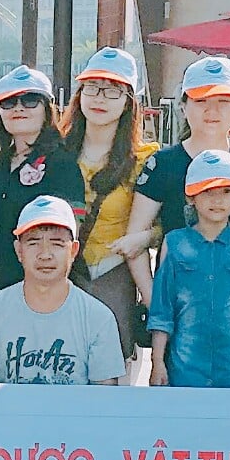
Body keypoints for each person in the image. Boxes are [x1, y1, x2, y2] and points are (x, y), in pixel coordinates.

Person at [147, 149, 230, 390]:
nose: (217, 200)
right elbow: (162, 308)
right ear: (191, 197)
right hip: (186, 365)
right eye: (207, 191)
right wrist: (157, 362)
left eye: (227, 191)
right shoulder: (174, 243)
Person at [65, 45, 158, 361]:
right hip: (64, 275)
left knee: (113, 367)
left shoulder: (145, 161)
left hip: (114, 275)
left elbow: (165, 224)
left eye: (113, 90)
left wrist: (144, 238)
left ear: (130, 101)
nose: (100, 98)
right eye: (92, 87)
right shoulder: (57, 154)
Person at [0, 195, 126, 385]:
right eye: (33, 242)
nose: (45, 254)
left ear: (73, 250)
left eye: (57, 243)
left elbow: (105, 396)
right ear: (19, 250)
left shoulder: (98, 319)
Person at [125, 53, 230, 256]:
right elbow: (133, 241)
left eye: (223, 101)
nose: (212, 110)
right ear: (183, 106)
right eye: (201, 101)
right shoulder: (162, 164)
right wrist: (150, 280)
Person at [0, 64, 84, 297]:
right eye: (8, 102)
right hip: (1, 288)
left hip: (46, 289)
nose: (18, 108)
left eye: (30, 100)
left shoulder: (62, 163)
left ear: (47, 109)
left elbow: (72, 232)